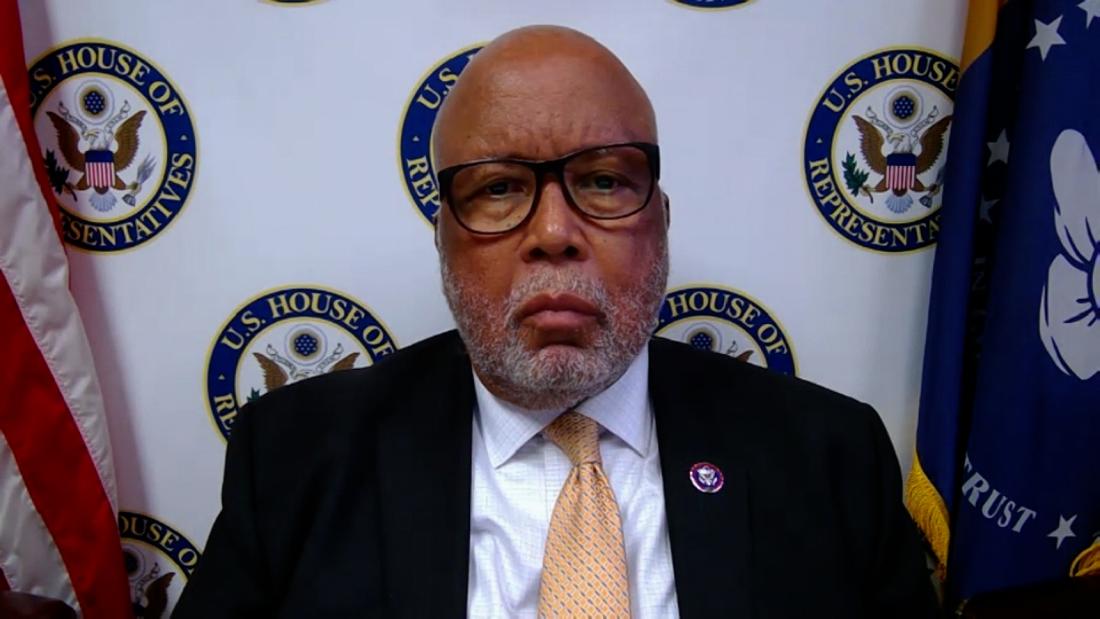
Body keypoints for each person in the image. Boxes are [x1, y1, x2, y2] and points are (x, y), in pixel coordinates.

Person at [174, 25, 936, 618]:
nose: (552, 232)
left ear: (661, 223)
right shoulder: (298, 457)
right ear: (443, 237)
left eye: (602, 181)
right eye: (499, 189)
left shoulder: (828, 457)